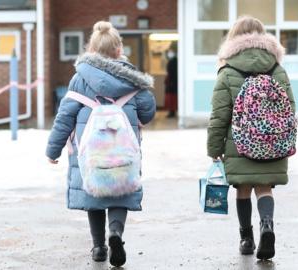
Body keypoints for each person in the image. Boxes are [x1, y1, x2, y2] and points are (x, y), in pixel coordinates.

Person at [45, 21, 156, 267]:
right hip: (122, 150)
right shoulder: (134, 80)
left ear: (91, 50)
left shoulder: (79, 79)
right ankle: (115, 232)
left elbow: (64, 118)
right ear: (119, 50)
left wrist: (53, 150)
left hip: (89, 152)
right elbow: (148, 113)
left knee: (93, 194)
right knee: (121, 190)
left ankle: (98, 247)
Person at [207, 16, 295, 260]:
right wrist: (283, 138)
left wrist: (214, 147)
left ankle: (246, 238)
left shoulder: (227, 71)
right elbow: (291, 108)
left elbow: (219, 115)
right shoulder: (277, 70)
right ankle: (267, 225)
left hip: (239, 144)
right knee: (265, 187)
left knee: (243, 189)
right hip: (273, 142)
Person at [164, 43, 178, 118]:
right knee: (171, 98)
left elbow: (172, 73)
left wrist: (171, 82)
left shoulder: (174, 61)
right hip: (171, 83)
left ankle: (172, 112)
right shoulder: (172, 60)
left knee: (172, 98)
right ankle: (171, 111)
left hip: (172, 83)